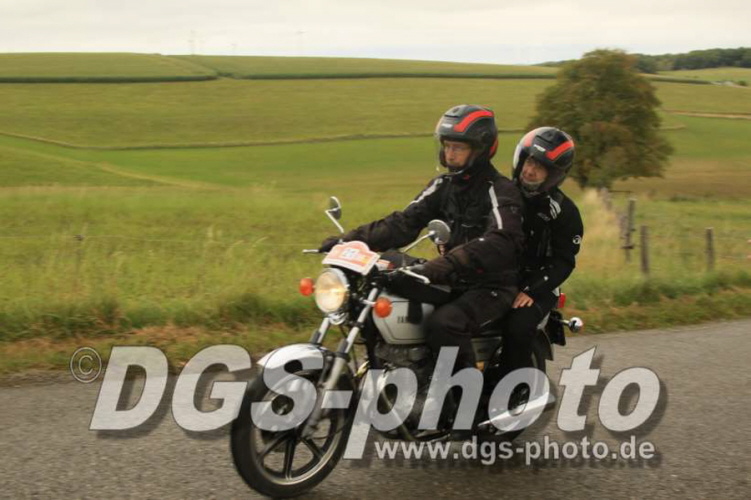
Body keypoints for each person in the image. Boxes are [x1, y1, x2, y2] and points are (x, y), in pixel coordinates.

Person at [319, 104, 524, 371]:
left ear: (480, 150)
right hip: (453, 279)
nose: (450, 153)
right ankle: (385, 372)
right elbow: (404, 223)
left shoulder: (500, 190)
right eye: (447, 146)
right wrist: (348, 241)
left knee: (445, 324)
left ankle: (462, 391)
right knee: (377, 295)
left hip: (491, 286)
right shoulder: (443, 185)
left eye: (458, 147)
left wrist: (449, 262)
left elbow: (502, 239)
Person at [500, 126, 584, 377]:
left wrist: (531, 289)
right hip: (499, 276)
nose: (529, 170)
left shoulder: (564, 212)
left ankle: (512, 388)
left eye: (540, 167)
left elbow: (564, 261)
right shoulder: (502, 193)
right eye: (529, 161)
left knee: (517, 325)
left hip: (538, 286)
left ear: (554, 175)